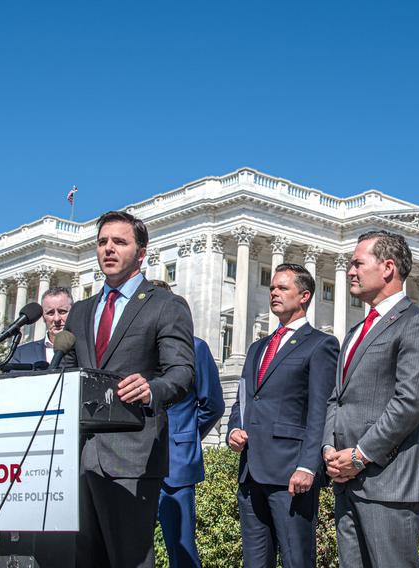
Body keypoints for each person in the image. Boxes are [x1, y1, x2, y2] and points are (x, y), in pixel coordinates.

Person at [62, 211, 195, 567]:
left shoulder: (165, 305)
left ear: (141, 253)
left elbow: (182, 372)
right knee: (84, 560)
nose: (108, 249)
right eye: (103, 242)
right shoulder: (81, 311)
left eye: (119, 242)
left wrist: (151, 388)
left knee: (129, 560)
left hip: (131, 457)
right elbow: (66, 372)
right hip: (77, 457)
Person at [323, 230, 419, 568]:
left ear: (388, 268)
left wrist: (360, 456)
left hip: (389, 482)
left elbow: (410, 403)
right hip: (346, 480)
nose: (350, 271)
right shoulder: (354, 332)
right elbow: (336, 399)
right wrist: (328, 450)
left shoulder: (417, 325)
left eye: (358, 263)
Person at [227, 263, 339, 568]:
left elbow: (321, 409)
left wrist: (308, 465)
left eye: (282, 288)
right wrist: (234, 428)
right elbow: (244, 399)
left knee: (296, 559)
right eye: (272, 287)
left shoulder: (321, 344)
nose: (273, 292)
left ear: (304, 296)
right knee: (255, 561)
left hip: (292, 473)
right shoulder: (256, 347)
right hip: (251, 471)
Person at [151, 280, 225, 568]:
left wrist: (187, 434)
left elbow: (213, 405)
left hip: (177, 463)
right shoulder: (133, 350)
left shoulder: (196, 348)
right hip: (132, 460)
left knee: (181, 549)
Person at [9, 286, 73, 365]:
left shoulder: (85, 350)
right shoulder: (22, 354)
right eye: (50, 313)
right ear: (43, 317)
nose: (56, 319)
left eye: (62, 312)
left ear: (73, 313)